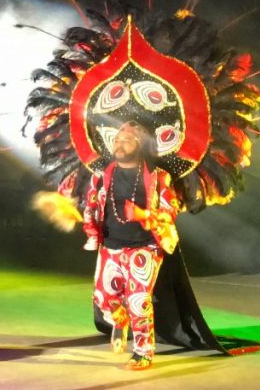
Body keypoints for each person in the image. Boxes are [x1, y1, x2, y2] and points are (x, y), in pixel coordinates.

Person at [81, 122, 179, 370]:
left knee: (138, 299)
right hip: (110, 248)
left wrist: (143, 215)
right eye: (116, 139)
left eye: (126, 139)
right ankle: (119, 319)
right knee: (103, 299)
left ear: (140, 144)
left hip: (144, 247)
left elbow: (170, 212)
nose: (118, 143)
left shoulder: (159, 177)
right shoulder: (101, 176)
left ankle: (143, 352)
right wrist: (90, 227)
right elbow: (90, 205)